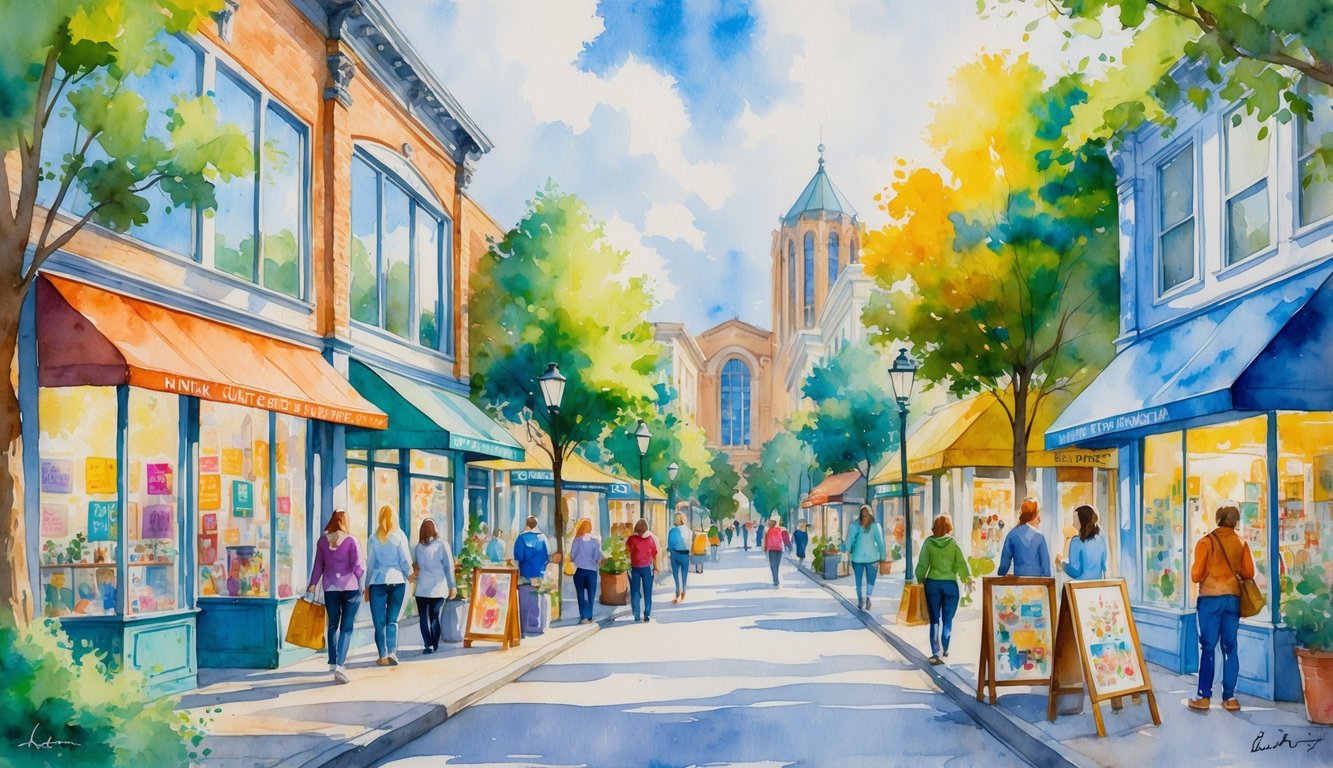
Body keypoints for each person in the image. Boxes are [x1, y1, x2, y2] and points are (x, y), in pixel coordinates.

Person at [1188, 502, 1255, 713]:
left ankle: (1204, 696)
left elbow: (1195, 575)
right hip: (1232, 600)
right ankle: (1230, 697)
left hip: (1210, 600)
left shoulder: (1206, 542)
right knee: (1230, 648)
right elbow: (1249, 573)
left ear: (1218, 519)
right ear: (1236, 521)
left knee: (1208, 648)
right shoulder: (1241, 543)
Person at [308, 510, 364, 684]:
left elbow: (318, 564)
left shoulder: (323, 542)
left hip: (330, 587)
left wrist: (312, 583)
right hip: (350, 588)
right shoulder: (352, 540)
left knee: (332, 624)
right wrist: (364, 582)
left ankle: (332, 661)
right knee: (346, 627)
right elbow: (358, 566)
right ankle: (340, 665)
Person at [916, 515, 973, 665]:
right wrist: (968, 579)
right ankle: (945, 647)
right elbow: (962, 563)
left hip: (933, 584)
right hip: (950, 585)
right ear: (949, 527)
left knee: (934, 619)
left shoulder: (928, 542)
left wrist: (920, 578)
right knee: (947, 619)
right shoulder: (954, 543)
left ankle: (935, 652)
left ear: (934, 527)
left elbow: (922, 564)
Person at [367, 505, 412, 666]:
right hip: (398, 581)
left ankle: (383, 655)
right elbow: (405, 560)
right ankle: (392, 652)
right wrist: (410, 574)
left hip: (377, 582)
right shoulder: (400, 536)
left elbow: (370, 564)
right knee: (392, 620)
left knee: (379, 622)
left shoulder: (373, 538)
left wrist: (366, 585)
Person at [411, 519, 456, 654]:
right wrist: (452, 585)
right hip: (438, 587)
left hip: (422, 588)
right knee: (435, 616)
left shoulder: (418, 547)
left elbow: (415, 565)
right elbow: (449, 567)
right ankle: (435, 644)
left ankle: (428, 644)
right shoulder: (443, 545)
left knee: (423, 618)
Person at [997, 498, 1052, 577]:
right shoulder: (1039, 537)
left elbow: (1004, 565)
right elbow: (1046, 568)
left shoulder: (1012, 534)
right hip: (1038, 585)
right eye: (1038, 514)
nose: (1039, 518)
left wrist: (1000, 575)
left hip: (1019, 584)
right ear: (1033, 516)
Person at [846, 505, 887, 610]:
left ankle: (861, 599)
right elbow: (880, 543)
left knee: (859, 580)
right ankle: (867, 598)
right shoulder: (875, 526)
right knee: (870, 580)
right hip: (870, 558)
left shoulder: (855, 526)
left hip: (858, 558)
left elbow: (849, 542)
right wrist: (882, 557)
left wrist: (846, 552)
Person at [1057, 505, 1108, 580]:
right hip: (1097, 586)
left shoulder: (1076, 541)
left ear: (1082, 520)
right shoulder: (1100, 540)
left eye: (1075, 517)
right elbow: (1103, 564)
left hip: (1081, 588)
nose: (1073, 520)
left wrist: (1061, 563)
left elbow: (1075, 571)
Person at [569, 517, 602, 624]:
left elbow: (572, 555)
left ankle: (583, 617)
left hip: (579, 571)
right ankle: (589, 616)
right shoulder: (595, 540)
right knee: (591, 595)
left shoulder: (577, 539)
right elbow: (597, 557)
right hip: (591, 571)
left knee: (580, 594)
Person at [626, 518, 659, 622]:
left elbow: (627, 552)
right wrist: (656, 567)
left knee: (635, 591)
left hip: (635, 568)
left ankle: (636, 614)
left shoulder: (631, 539)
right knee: (647, 592)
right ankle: (647, 613)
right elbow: (654, 555)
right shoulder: (650, 539)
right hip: (647, 568)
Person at [513, 516, 551, 581]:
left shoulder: (521, 537)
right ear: (536, 524)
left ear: (527, 524)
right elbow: (548, 553)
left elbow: (519, 557)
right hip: (540, 573)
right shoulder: (543, 537)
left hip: (526, 574)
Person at [667, 512, 692, 602]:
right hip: (685, 555)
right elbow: (690, 544)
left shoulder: (673, 531)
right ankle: (684, 589)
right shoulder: (689, 531)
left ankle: (677, 590)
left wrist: (668, 549)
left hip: (675, 554)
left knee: (675, 573)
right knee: (684, 573)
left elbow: (670, 544)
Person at [763, 516, 788, 587]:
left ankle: (776, 581)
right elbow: (786, 539)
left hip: (772, 550)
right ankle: (776, 580)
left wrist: (765, 548)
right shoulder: (781, 529)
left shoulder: (767, 529)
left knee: (773, 566)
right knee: (776, 565)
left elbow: (765, 540)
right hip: (779, 549)